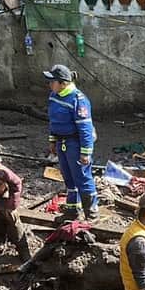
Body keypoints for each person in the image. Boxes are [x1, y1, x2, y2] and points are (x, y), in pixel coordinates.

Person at [44, 64, 98, 220]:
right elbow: (54, 121)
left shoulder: (78, 100)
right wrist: (52, 141)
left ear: (63, 83)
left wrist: (86, 152)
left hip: (75, 143)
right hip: (62, 143)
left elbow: (86, 129)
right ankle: (72, 211)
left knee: (82, 176)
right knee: (68, 177)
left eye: (52, 81)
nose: (49, 84)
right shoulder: (54, 96)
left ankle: (91, 212)